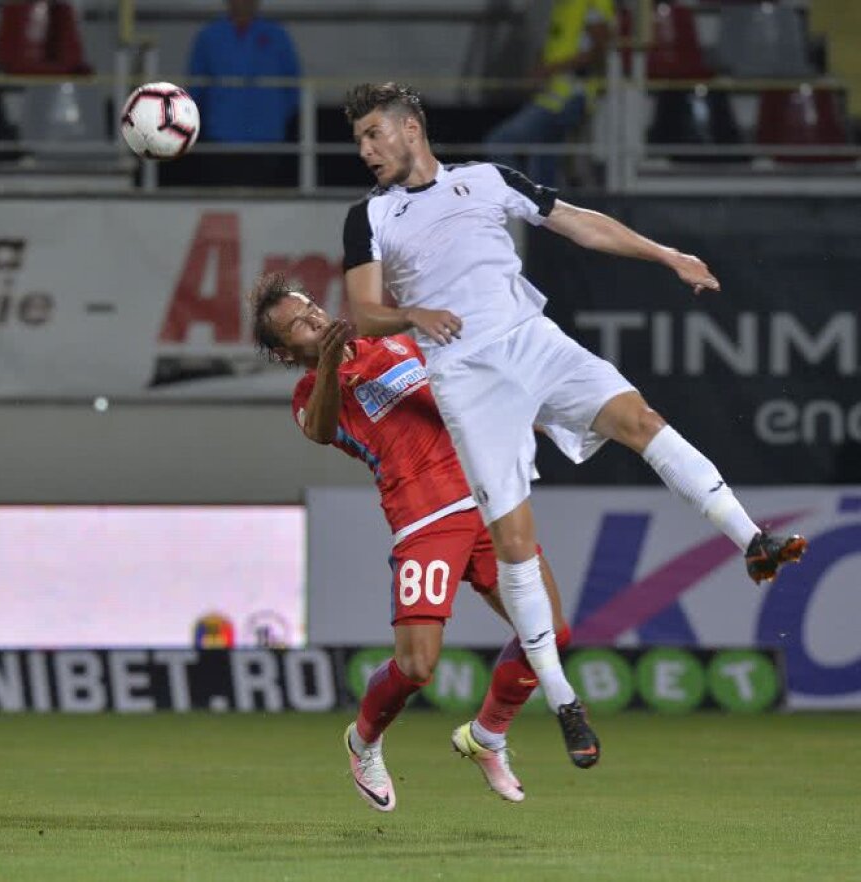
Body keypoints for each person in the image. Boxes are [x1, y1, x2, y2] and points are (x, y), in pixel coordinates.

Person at [338, 81, 807, 751]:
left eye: (374, 134)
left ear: (412, 128)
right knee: (515, 543)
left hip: (533, 341)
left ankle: (751, 540)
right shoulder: (371, 216)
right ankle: (563, 702)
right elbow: (362, 311)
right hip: (467, 377)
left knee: (640, 420)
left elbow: (579, 221)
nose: (366, 149)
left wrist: (666, 256)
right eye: (359, 139)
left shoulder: (489, 180)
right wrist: (412, 313)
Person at [250, 274, 590, 811]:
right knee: (416, 667)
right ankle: (362, 742)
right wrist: (333, 363)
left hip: (487, 503)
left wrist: (552, 417)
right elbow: (319, 429)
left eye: (311, 305)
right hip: (424, 518)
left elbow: (474, 394)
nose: (314, 317)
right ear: (283, 351)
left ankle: (486, 736)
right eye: (297, 323)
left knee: (550, 631)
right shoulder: (310, 395)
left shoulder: (399, 344)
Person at [483, 0, 613, 187]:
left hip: (567, 97)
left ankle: (521, 199)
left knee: (500, 142)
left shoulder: (590, 4)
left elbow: (598, 50)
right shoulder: (566, 6)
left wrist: (549, 70)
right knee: (544, 158)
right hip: (554, 95)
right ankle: (542, 209)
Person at [182, 0, 300, 186]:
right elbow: (196, 89)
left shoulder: (277, 36)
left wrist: (272, 119)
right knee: (222, 204)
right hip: (220, 139)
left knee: (264, 204)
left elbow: (293, 87)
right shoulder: (209, 37)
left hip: (267, 140)